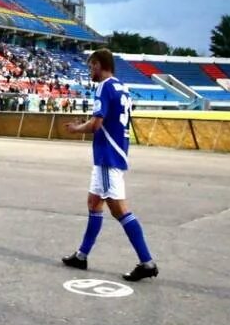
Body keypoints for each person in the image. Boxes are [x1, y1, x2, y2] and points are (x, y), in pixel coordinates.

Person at [60, 48, 157, 281]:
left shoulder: (103, 87)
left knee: (119, 210)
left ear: (100, 64)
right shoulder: (123, 87)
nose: (90, 70)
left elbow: (96, 125)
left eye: (91, 66)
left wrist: (76, 129)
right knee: (94, 203)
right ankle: (81, 256)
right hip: (116, 152)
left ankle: (147, 262)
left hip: (107, 156)